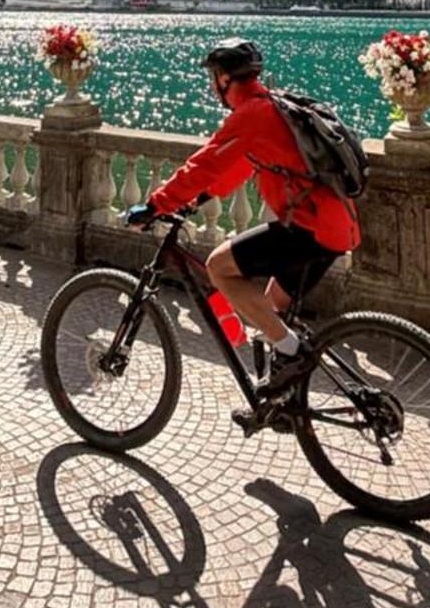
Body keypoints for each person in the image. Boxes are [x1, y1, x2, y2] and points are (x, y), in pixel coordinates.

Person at [126, 38, 359, 414]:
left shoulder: (251, 115)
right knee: (268, 312)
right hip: (335, 229)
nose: (210, 85)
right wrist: (200, 199)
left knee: (220, 267)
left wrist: (155, 205)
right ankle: (281, 403)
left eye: (211, 78)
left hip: (308, 229)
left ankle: (292, 353)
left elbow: (203, 165)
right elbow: (241, 165)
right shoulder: (273, 107)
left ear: (222, 79)